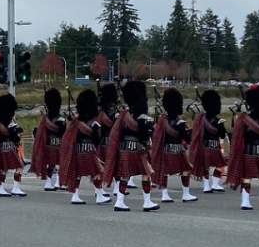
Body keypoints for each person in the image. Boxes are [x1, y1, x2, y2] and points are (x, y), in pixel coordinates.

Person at [103, 78, 158, 210]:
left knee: (125, 175)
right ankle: (147, 202)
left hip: (124, 148)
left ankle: (119, 202)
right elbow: (145, 135)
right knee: (146, 174)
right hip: (139, 149)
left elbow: (118, 133)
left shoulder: (124, 115)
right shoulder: (143, 116)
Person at [150, 87, 198, 203]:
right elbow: (186, 138)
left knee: (165, 172)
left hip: (165, 151)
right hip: (178, 151)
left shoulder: (162, 121)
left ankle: (164, 194)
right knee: (186, 170)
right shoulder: (180, 123)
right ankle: (185, 194)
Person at [58, 87, 104, 204]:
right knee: (97, 173)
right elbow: (97, 140)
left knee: (77, 173)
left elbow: (69, 137)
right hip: (89, 151)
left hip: (78, 152)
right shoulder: (94, 123)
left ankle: (75, 196)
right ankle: (99, 195)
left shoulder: (76, 122)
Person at [188, 89, 228, 192]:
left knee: (205, 167)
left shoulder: (200, 119)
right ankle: (214, 184)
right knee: (220, 165)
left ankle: (206, 186)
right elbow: (222, 134)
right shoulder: (218, 120)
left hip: (204, 146)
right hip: (214, 146)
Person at [0, 93, 26, 195]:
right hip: (9, 147)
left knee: (4, 168)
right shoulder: (9, 122)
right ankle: (15, 188)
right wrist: (17, 135)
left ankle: (1, 188)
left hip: (0, 148)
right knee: (20, 165)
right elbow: (15, 136)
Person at [30, 88, 66, 191]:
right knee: (60, 163)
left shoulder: (45, 119)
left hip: (47, 144)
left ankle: (48, 182)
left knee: (51, 164)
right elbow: (62, 132)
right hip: (58, 143)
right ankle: (59, 182)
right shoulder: (60, 119)